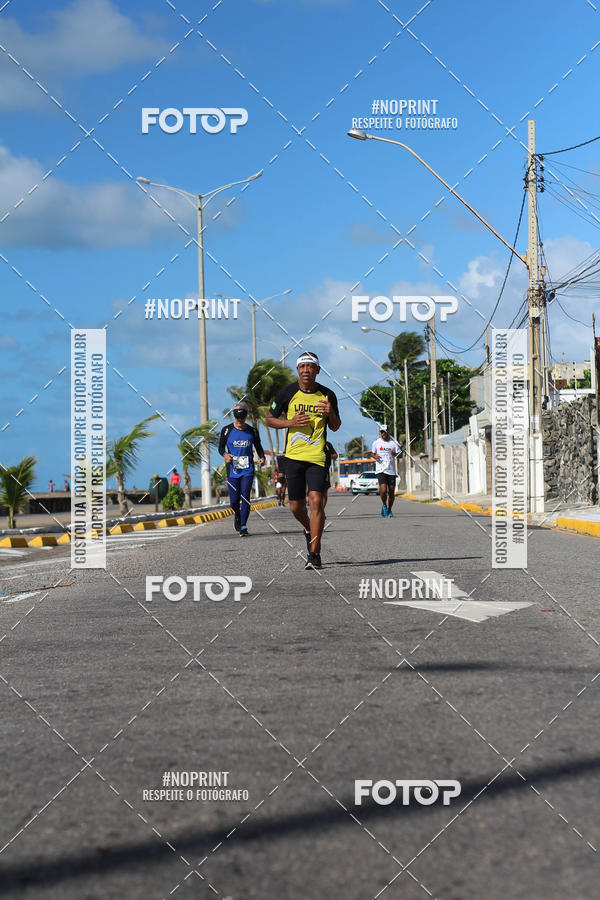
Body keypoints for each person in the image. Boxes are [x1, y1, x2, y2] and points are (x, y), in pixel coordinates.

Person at [266, 352, 341, 569]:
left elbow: (335, 426)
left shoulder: (328, 394)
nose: (306, 370)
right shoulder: (287, 393)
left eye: (310, 366)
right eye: (302, 366)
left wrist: (330, 412)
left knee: (316, 501)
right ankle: (309, 528)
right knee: (295, 507)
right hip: (293, 457)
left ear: (318, 370)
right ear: (298, 370)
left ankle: (314, 554)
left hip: (317, 457)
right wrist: (290, 422)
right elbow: (269, 419)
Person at [218, 400, 265, 536]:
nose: (239, 420)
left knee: (245, 497)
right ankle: (237, 514)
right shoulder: (227, 430)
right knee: (234, 501)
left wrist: (262, 457)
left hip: (247, 469)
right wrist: (225, 454)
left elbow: (259, 448)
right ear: (234, 416)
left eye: (242, 417)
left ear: (246, 416)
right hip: (232, 470)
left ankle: (243, 526)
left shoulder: (252, 431)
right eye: (237, 417)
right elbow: (221, 447)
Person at [368, 425, 402, 517]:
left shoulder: (394, 442)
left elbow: (400, 455)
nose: (383, 433)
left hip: (391, 470)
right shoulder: (376, 443)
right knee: (383, 490)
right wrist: (374, 456)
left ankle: (389, 509)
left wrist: (394, 453)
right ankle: (384, 505)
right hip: (381, 470)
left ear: (388, 432)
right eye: (381, 432)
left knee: (391, 492)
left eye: (384, 431)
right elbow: (372, 453)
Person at [323, 441, 338, 509]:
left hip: (324, 471)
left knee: (324, 492)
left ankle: (321, 510)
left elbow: (335, 455)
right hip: (310, 471)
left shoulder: (327, 444)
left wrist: (327, 456)